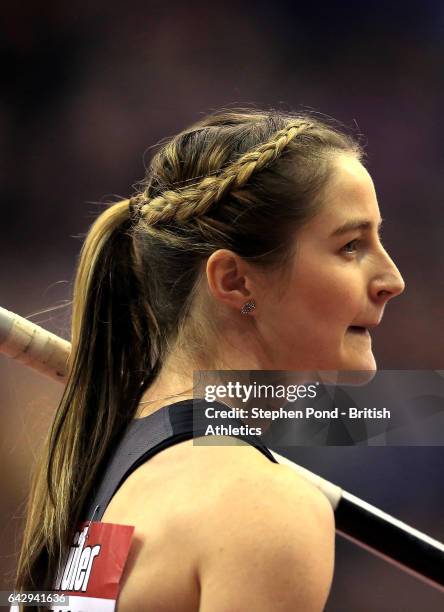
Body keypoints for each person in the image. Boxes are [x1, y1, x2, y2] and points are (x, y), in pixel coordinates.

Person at [14, 108, 405, 611]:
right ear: (235, 282)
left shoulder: (112, 469)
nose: (393, 280)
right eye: (351, 245)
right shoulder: (259, 508)